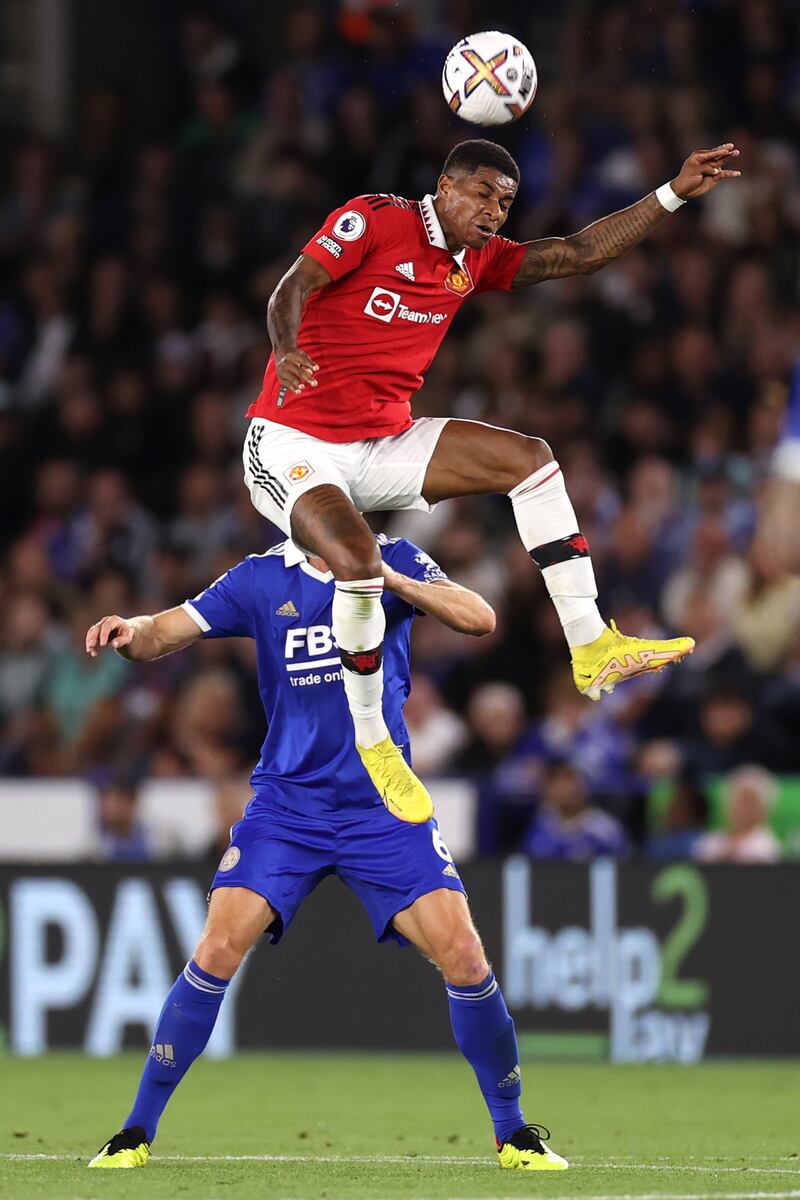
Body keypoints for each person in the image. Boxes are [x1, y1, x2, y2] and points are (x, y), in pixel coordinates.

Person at [246, 137, 741, 820]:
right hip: (291, 441)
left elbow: (580, 251)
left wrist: (673, 192)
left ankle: (591, 643)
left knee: (529, 457)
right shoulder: (375, 218)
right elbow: (292, 286)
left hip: (380, 441)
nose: (493, 211)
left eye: (505, 202)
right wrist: (287, 347)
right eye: (481, 193)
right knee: (360, 561)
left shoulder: (476, 261)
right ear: (444, 186)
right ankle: (374, 744)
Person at [84, 534, 568, 1172]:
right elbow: (168, 629)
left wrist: (389, 582)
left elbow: (479, 618)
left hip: (383, 809)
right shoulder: (261, 578)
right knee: (217, 949)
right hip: (288, 809)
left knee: (465, 956)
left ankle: (514, 1136)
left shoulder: (395, 557)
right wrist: (132, 627)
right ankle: (134, 1133)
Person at [523, 760, 629, 861]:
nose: (567, 789)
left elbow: (624, 863)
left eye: (571, 780)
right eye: (557, 783)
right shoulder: (540, 824)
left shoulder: (604, 828)